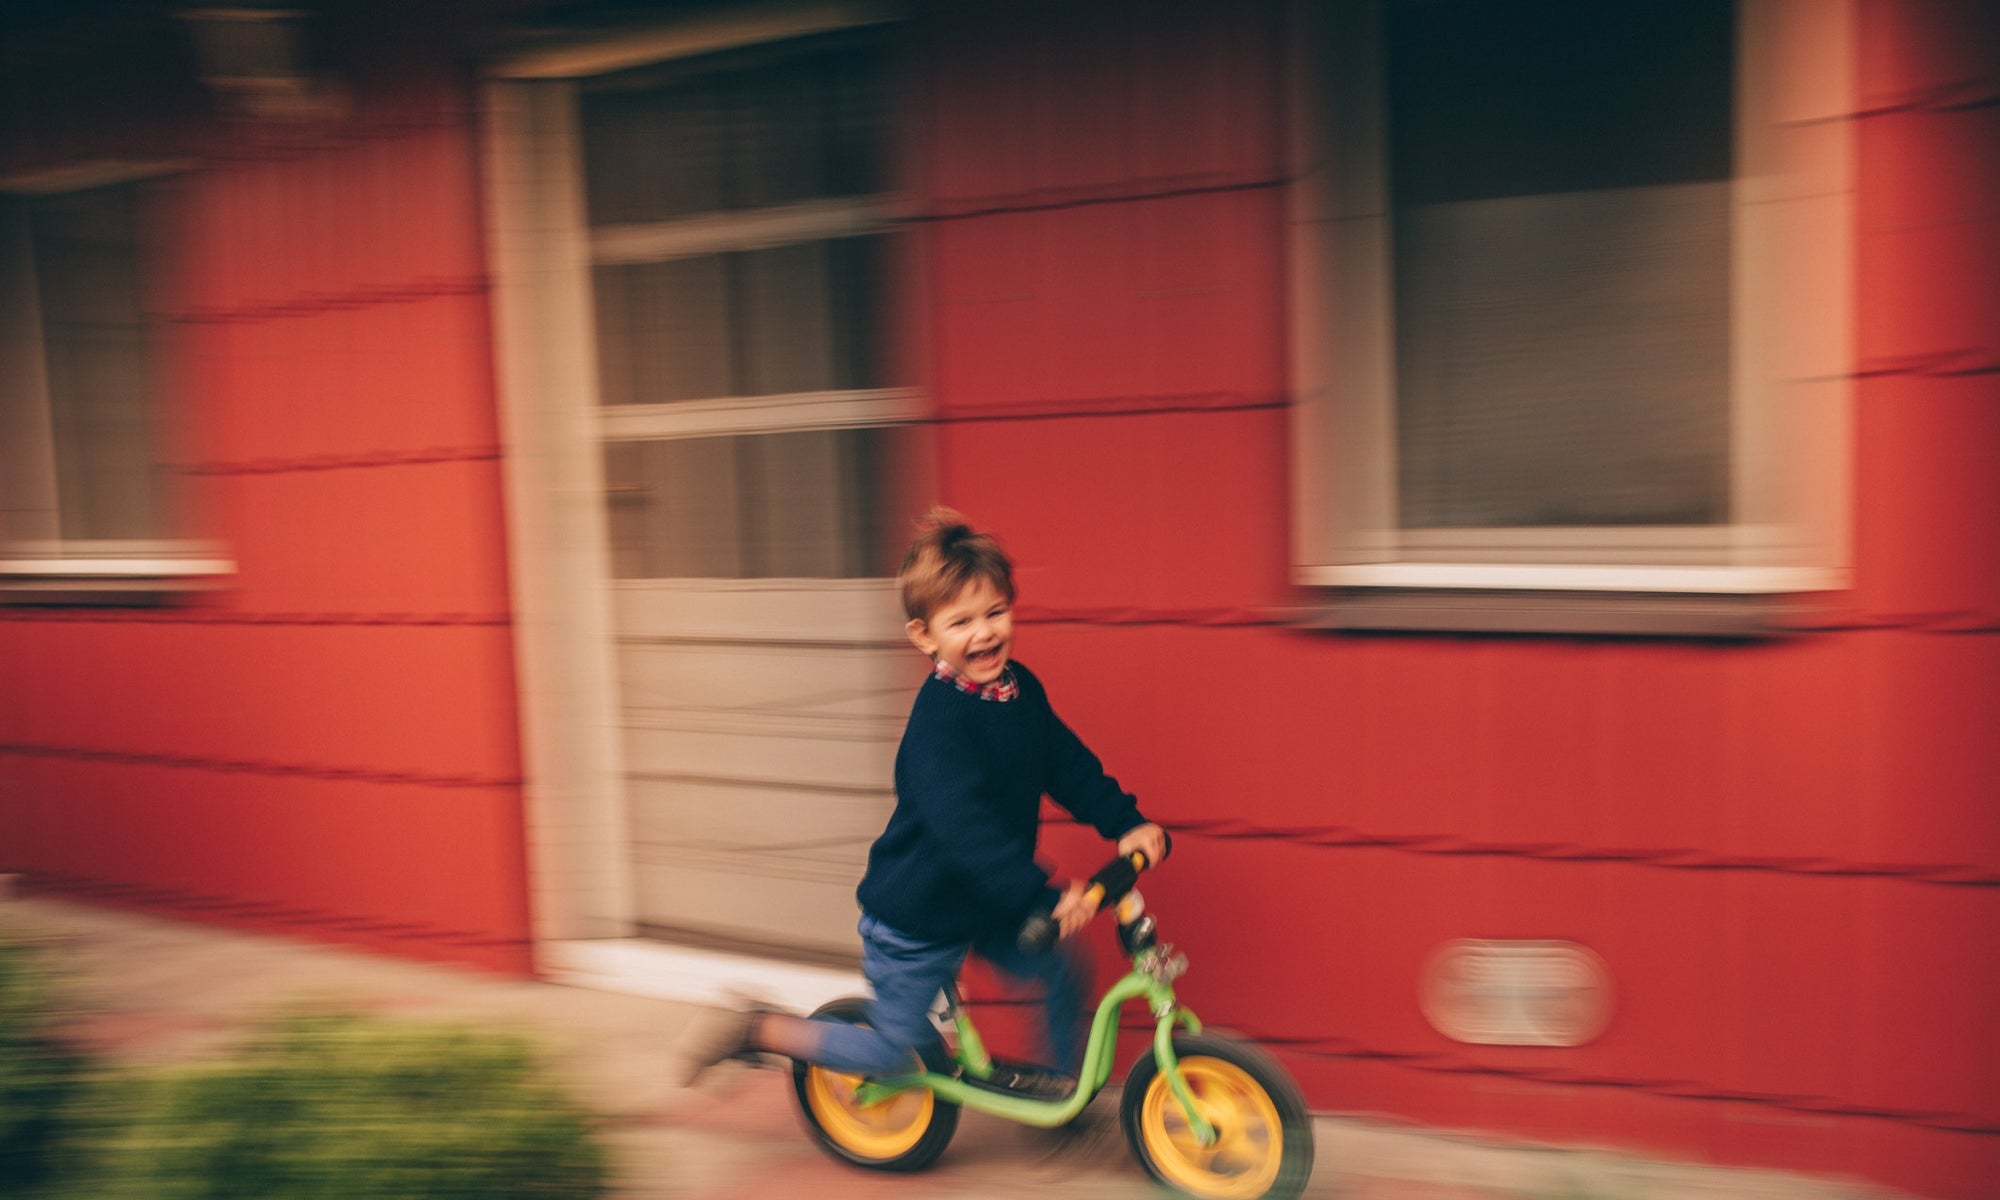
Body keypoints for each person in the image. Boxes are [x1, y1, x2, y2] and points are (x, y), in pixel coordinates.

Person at [681, 506, 1167, 1089]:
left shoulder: (1020, 691)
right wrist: (1040, 892)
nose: (984, 632)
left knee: (1062, 967)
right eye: (961, 622)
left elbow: (1064, 764)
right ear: (924, 636)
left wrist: (1125, 822)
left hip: (987, 902)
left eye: (995, 612)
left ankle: (1064, 1091)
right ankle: (757, 1029)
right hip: (919, 913)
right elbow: (963, 830)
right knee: (894, 1054)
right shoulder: (938, 726)